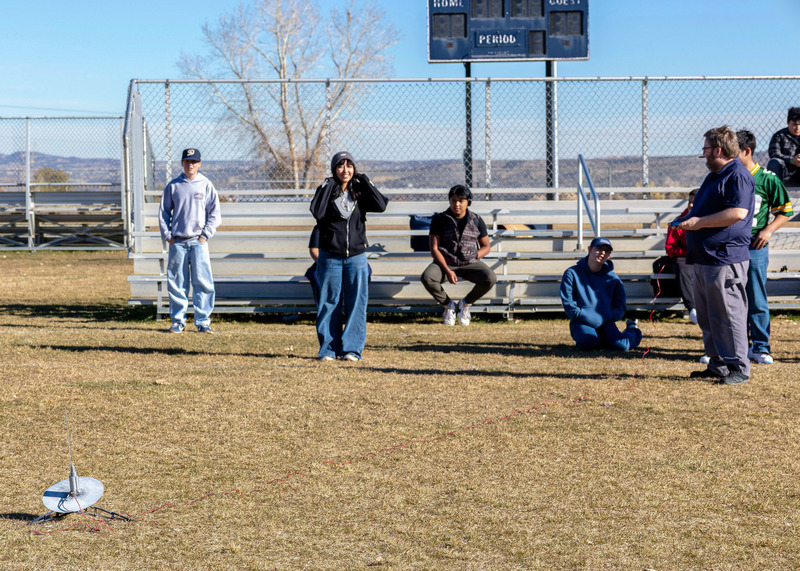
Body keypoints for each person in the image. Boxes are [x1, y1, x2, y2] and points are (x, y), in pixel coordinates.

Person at [678, 126, 754, 385]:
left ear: (718, 150)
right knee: (709, 315)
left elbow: (738, 213)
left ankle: (739, 368)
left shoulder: (737, 175)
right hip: (705, 258)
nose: (703, 154)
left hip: (725, 258)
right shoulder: (714, 176)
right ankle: (718, 364)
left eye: (706, 150)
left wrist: (698, 222)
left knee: (728, 314)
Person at [309, 151, 388, 361]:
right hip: (329, 257)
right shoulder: (327, 190)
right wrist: (327, 185)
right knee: (329, 303)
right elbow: (317, 211)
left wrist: (365, 181)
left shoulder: (359, 191)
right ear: (334, 169)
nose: (345, 170)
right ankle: (328, 349)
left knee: (356, 304)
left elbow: (381, 205)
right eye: (340, 166)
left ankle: (352, 350)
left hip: (357, 257)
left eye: (349, 166)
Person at [736, 129, 793, 365]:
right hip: (729, 246)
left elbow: (785, 211)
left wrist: (768, 230)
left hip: (754, 246)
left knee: (756, 296)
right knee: (731, 298)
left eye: (733, 152)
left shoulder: (768, 179)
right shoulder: (729, 176)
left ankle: (760, 346)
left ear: (747, 151)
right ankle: (735, 346)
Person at [158, 148, 221, 334]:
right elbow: (163, 213)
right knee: (178, 282)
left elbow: (215, 214)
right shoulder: (173, 186)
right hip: (178, 242)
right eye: (187, 161)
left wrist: (204, 236)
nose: (190, 165)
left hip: (198, 242)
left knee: (203, 282)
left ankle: (203, 321)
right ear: (182, 163)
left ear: (200, 164)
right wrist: (168, 236)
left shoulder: (206, 185)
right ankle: (178, 321)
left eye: (194, 162)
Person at [420, 184, 497, 326]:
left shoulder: (477, 220)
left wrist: (474, 256)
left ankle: (465, 304)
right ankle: (449, 306)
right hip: (446, 262)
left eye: (461, 201)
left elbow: (486, 247)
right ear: (449, 201)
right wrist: (447, 271)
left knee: (490, 278)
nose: (457, 204)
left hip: (469, 263)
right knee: (427, 277)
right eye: (454, 200)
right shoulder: (440, 219)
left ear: (468, 202)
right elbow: (434, 248)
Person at [560, 236, 642, 351]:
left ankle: (632, 328)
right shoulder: (572, 273)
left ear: (609, 255)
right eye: (598, 249)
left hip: (606, 322)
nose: (602, 253)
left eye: (606, 251)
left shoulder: (613, 278)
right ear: (589, 249)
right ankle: (599, 339)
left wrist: (608, 316)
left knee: (621, 346)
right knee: (589, 343)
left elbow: (620, 306)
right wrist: (585, 316)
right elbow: (569, 305)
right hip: (582, 322)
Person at [664, 188, 699, 324]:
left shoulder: (711, 220)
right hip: (685, 257)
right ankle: (693, 308)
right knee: (681, 266)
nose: (691, 205)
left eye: (694, 202)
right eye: (689, 202)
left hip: (705, 256)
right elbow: (670, 248)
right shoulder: (678, 222)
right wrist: (689, 253)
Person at [767, 107, 800, 188]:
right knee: (774, 162)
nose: (797, 128)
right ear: (788, 122)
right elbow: (774, 154)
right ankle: (776, 195)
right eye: (794, 125)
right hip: (785, 172)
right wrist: (792, 160)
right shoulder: (779, 136)